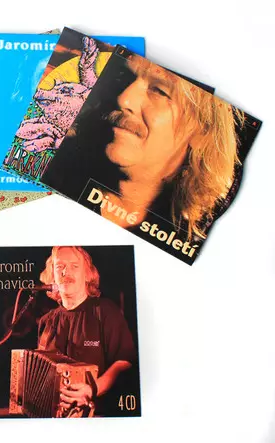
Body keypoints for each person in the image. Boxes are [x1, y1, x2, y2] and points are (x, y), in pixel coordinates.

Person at [42, 52, 241, 242]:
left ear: (202, 131)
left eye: (159, 90)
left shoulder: (196, 235)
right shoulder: (50, 166)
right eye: (123, 78)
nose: (124, 99)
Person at [37, 246, 136, 415]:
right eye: (59, 266)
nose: (66, 272)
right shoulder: (47, 321)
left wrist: (92, 389)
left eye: (74, 266)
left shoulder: (106, 311)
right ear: (52, 275)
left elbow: (123, 362)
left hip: (98, 415)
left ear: (87, 275)